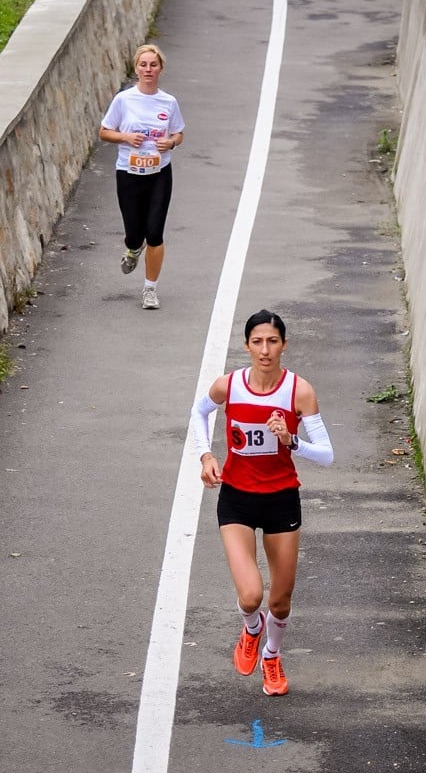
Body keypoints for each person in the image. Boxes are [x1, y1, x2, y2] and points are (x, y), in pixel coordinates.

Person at [190, 310, 334, 696]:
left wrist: (291, 439)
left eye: (273, 341)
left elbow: (327, 454)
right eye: (258, 341)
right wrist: (206, 456)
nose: (265, 350)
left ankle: (272, 654)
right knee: (252, 595)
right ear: (247, 345)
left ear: (284, 345)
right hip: (236, 499)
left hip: (281, 501)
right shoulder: (230, 385)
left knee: (281, 601)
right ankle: (252, 629)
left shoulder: (298, 391)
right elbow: (199, 412)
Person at [99, 44, 184, 311]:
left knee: (155, 233)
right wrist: (125, 137)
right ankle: (133, 248)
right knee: (135, 234)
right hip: (129, 173)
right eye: (143, 65)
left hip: (159, 174)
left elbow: (179, 133)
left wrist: (170, 143)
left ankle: (150, 290)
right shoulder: (124, 100)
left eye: (153, 65)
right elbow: (104, 132)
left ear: (161, 69)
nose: (148, 70)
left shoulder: (168, 102)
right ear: (136, 68)